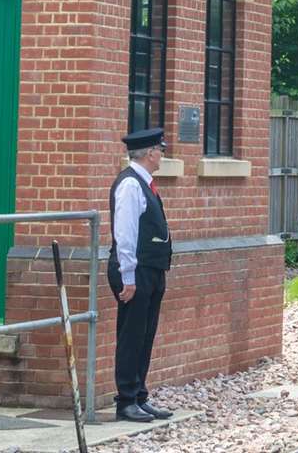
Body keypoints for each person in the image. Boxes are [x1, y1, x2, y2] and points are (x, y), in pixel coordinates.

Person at [108, 128, 174, 422]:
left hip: (151, 269)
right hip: (135, 271)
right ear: (149, 153)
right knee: (132, 334)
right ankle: (125, 401)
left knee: (145, 334)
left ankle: (139, 395)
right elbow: (125, 233)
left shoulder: (144, 182)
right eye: (160, 150)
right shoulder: (130, 185)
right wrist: (129, 276)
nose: (162, 154)